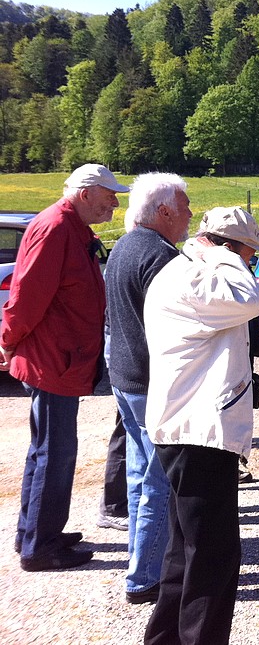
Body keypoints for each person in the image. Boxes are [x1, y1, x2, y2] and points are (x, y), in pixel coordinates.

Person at [143, 207, 259, 645]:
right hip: (198, 431)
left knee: (186, 551)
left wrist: (225, 252)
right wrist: (228, 255)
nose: (251, 263)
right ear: (229, 246)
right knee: (213, 556)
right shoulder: (201, 275)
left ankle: (164, 639)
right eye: (249, 253)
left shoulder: (190, 270)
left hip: (188, 428)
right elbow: (252, 299)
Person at [1, 164, 128, 572]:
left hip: (60, 358)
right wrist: (6, 341)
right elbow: (25, 297)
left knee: (47, 452)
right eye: (109, 194)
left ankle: (36, 532)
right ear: (86, 192)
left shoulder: (69, 227)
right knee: (54, 454)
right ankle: (40, 546)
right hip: (52, 360)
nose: (114, 202)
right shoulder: (56, 228)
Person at [105, 172, 192, 606]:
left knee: (141, 476)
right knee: (158, 481)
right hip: (150, 381)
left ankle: (141, 562)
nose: (191, 214)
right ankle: (145, 578)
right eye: (185, 206)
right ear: (164, 211)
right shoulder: (160, 257)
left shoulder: (124, 245)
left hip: (125, 376)